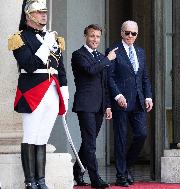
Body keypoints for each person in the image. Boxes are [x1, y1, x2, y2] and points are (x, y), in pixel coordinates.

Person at [8, 0, 69, 188]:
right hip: (33, 91)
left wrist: (65, 92)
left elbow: (60, 68)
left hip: (52, 90)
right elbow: (30, 65)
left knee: (42, 137)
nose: (44, 15)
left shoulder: (53, 38)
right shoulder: (20, 38)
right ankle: (29, 181)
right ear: (29, 16)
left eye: (45, 11)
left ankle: (41, 180)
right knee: (30, 136)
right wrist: (46, 45)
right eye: (39, 12)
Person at [106, 20, 153, 187]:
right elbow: (109, 77)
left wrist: (148, 96)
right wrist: (117, 95)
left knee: (141, 134)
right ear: (121, 33)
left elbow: (144, 77)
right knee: (120, 139)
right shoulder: (113, 51)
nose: (130, 36)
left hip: (138, 101)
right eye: (127, 33)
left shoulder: (140, 52)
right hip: (121, 102)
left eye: (134, 33)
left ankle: (127, 167)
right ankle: (121, 175)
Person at [71, 24, 117, 189]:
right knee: (90, 143)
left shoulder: (100, 56)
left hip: (99, 106)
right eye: (92, 36)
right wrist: (107, 59)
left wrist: (108, 106)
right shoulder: (78, 55)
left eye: (98, 37)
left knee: (88, 141)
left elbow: (104, 84)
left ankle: (76, 170)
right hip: (85, 105)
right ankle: (95, 179)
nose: (95, 39)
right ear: (85, 36)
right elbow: (90, 71)